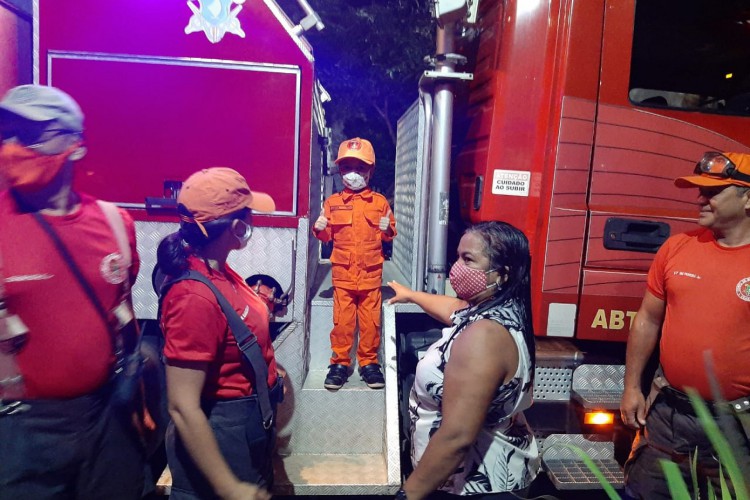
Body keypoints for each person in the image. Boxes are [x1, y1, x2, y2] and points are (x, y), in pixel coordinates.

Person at [0, 84, 145, 498]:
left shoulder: (115, 223)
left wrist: (137, 399)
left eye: (31, 134)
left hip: (108, 417)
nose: (13, 147)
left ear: (75, 144)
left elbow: (123, 314)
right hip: (22, 430)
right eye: (7, 133)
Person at [620, 151, 750, 498]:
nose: (700, 199)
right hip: (668, 417)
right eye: (700, 190)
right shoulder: (677, 247)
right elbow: (647, 320)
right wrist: (632, 386)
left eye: (713, 192)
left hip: (737, 427)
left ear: (748, 198)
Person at [387, 221, 539, 499]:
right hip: (490, 476)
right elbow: (453, 308)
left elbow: (456, 437)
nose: (456, 268)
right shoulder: (501, 310)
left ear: (502, 274)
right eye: (457, 257)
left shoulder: (484, 337)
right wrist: (412, 296)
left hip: (473, 488)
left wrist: (408, 495)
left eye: (468, 259)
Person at [157, 167, 283, 500]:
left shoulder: (219, 270)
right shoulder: (193, 297)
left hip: (245, 431)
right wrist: (229, 487)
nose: (253, 220)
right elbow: (182, 406)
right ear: (236, 227)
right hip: (223, 440)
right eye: (248, 214)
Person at [312, 137, 396, 390]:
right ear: (340, 170)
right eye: (348, 167)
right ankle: (339, 363)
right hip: (343, 276)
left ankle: (369, 363)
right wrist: (320, 228)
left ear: (370, 170)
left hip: (370, 276)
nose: (354, 174)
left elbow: (389, 234)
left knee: (371, 322)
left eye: (360, 168)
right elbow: (326, 237)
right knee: (343, 322)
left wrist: (387, 228)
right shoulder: (332, 203)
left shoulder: (380, 202)